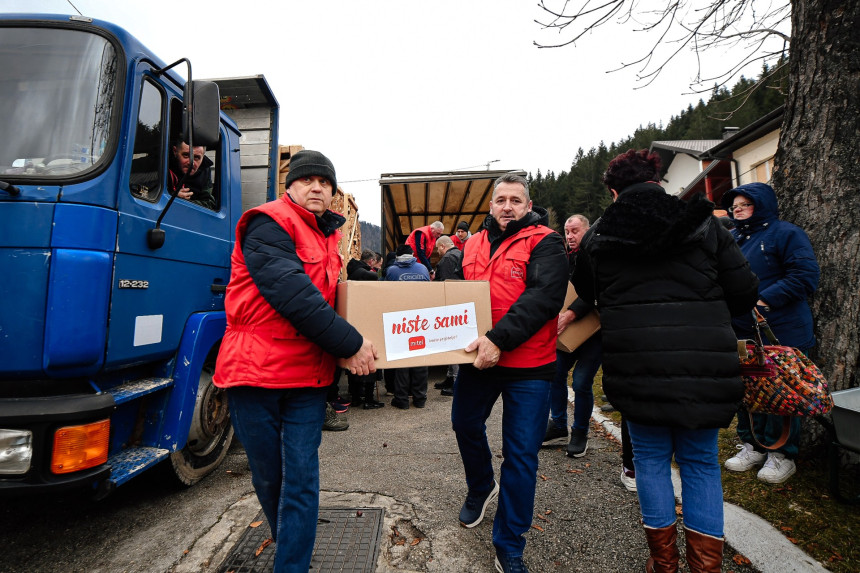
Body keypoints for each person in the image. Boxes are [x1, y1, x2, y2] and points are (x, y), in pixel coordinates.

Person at [572, 149, 759, 573]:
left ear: (615, 191)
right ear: (658, 180)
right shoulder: (703, 221)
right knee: (699, 462)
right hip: (704, 364)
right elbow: (745, 290)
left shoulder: (597, 236)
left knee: (651, 461)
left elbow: (587, 290)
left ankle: (664, 564)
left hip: (637, 366)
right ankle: (706, 567)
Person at [213, 150, 377, 573]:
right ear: (290, 186)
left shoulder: (328, 238)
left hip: (306, 378)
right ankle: (289, 540)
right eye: (308, 180)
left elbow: (330, 302)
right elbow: (293, 296)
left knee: (301, 479)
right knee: (269, 479)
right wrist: (351, 344)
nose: (318, 187)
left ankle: (292, 565)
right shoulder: (268, 223)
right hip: (255, 374)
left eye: (326, 182)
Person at [450, 173, 567, 573]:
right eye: (501, 199)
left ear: (527, 205)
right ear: (490, 205)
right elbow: (453, 296)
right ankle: (482, 485)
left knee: (521, 456)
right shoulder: (472, 244)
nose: (507, 207)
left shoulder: (546, 241)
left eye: (516, 200)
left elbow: (544, 297)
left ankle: (510, 542)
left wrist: (499, 338)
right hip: (480, 361)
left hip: (529, 366)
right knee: (464, 423)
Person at [721, 182, 820, 484]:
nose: (737, 209)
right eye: (734, 205)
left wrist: (762, 301)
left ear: (761, 204)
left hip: (782, 331)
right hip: (742, 331)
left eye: (744, 204)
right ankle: (752, 445)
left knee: (781, 392)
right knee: (749, 389)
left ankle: (782, 454)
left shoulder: (787, 234)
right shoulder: (733, 239)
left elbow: (805, 276)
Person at [543, 214, 603, 459]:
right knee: (554, 372)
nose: (570, 236)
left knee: (580, 382)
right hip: (568, 334)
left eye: (575, 231)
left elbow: (595, 290)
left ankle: (580, 431)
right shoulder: (565, 258)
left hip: (594, 333)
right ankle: (558, 425)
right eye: (567, 232)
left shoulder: (597, 255)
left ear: (587, 230)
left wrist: (569, 314)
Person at [384, 245, 431, 408]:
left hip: (400, 321)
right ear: (412, 254)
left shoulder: (391, 271)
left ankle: (402, 399)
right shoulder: (423, 268)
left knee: (402, 358)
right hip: (421, 320)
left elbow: (386, 296)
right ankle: (419, 399)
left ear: (397, 256)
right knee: (420, 357)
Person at [346, 250, 384, 409]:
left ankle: (355, 397)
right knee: (370, 357)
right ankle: (368, 399)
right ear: (372, 261)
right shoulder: (364, 273)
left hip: (354, 318)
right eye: (378, 265)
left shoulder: (353, 271)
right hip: (367, 317)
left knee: (354, 356)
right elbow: (374, 278)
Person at [432, 235, 463, 396]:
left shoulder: (447, 260)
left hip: (451, 308)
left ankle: (455, 382)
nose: (438, 251)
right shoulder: (460, 255)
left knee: (453, 344)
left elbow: (445, 286)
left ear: (443, 246)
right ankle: (450, 378)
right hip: (460, 306)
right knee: (454, 344)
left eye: (438, 248)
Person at [167, 140, 217, 210]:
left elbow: (209, 203)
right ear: (175, 151)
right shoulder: (163, 165)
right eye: (186, 155)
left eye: (197, 157)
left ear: (203, 157)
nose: (191, 163)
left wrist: (184, 202)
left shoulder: (205, 170)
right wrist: (171, 196)